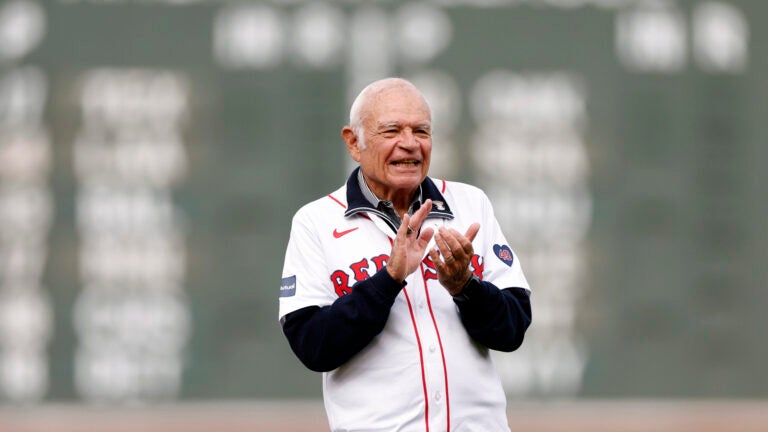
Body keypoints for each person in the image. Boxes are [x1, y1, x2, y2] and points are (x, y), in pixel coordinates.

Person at [278, 77, 532, 431]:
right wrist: (388, 280)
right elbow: (313, 346)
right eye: (392, 130)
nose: (410, 144)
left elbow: (513, 329)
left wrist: (466, 287)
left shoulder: (470, 204)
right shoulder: (316, 221)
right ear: (353, 142)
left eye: (421, 131)